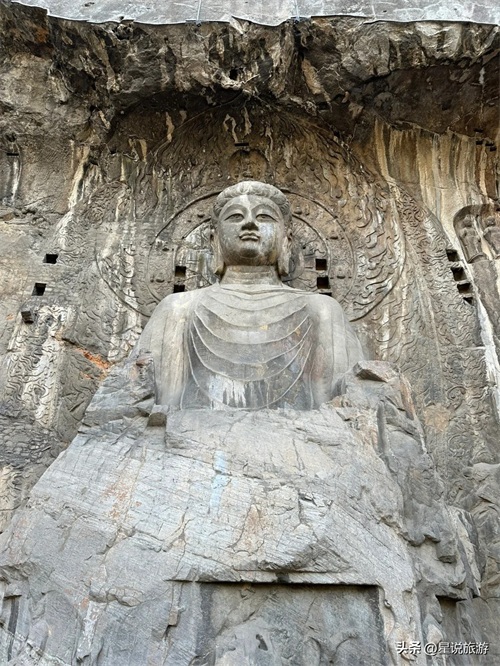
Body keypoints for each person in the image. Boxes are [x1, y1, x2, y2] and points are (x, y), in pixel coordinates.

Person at [138, 181, 364, 410]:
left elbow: (345, 404)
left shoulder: (322, 309)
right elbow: (157, 403)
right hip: (191, 428)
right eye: (235, 216)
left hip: (301, 430)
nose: (249, 223)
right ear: (214, 240)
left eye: (264, 217)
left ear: (287, 240)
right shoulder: (179, 308)